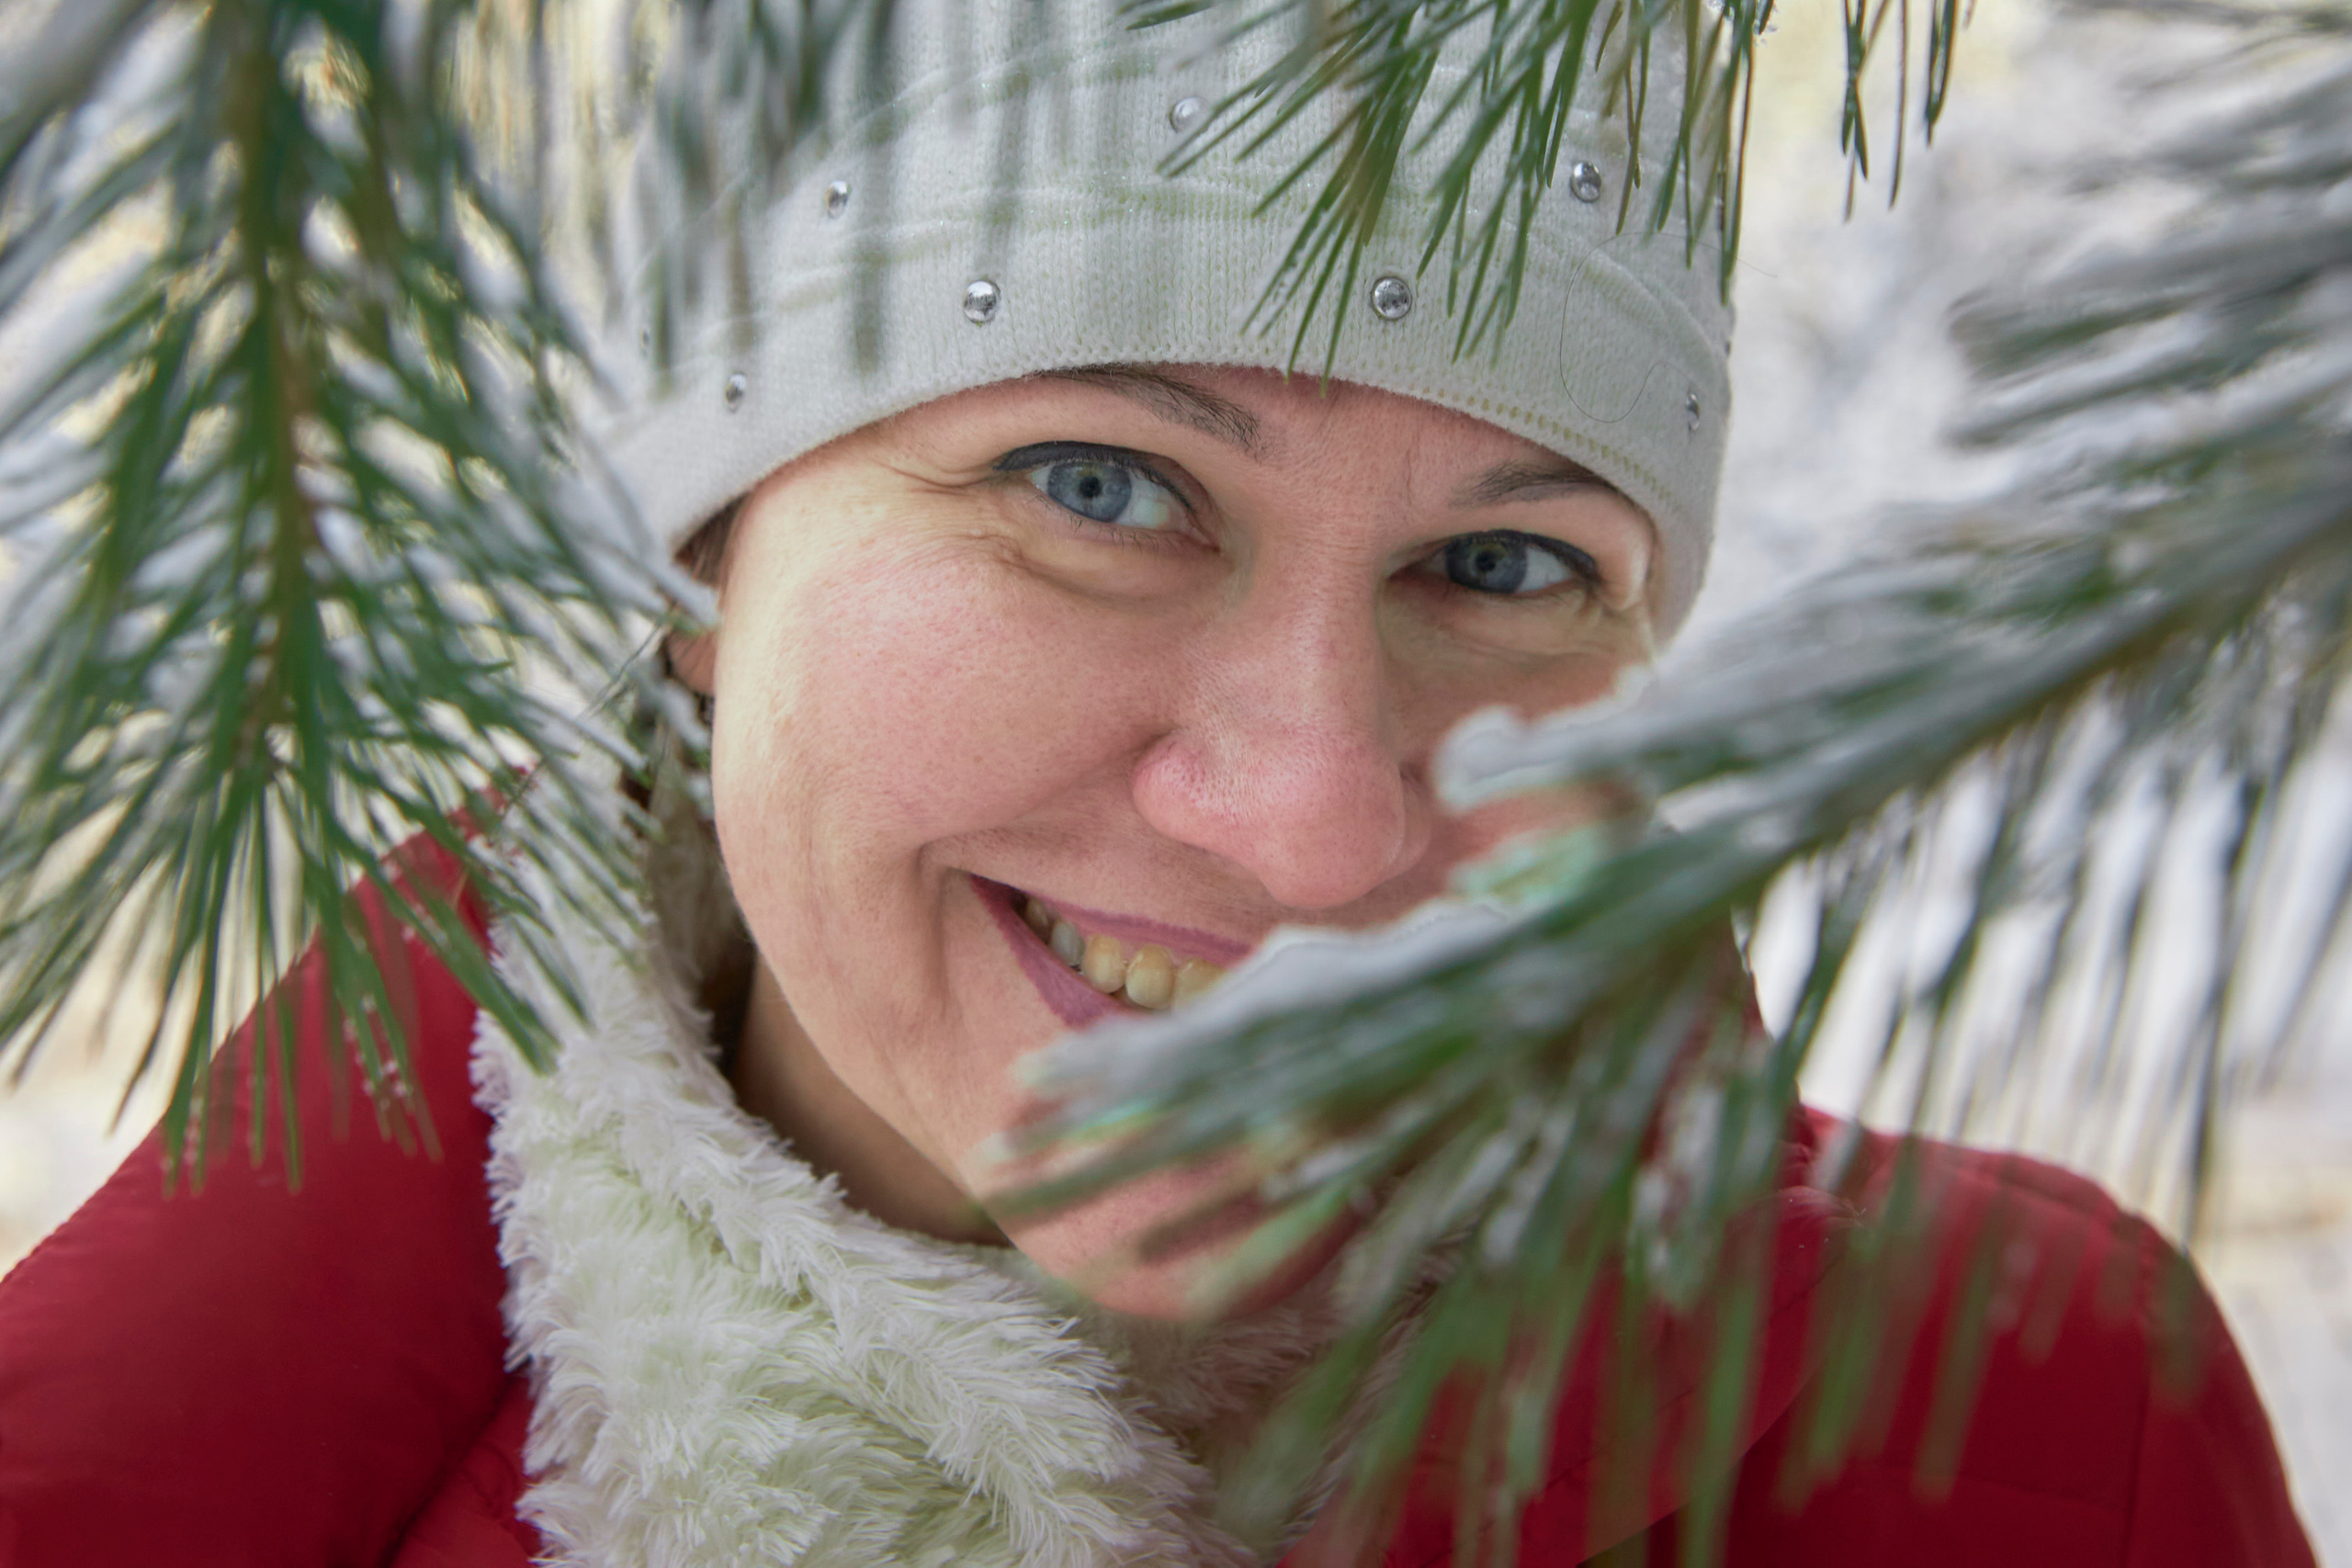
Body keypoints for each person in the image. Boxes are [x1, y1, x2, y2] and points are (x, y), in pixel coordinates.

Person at [0, 0, 2320, 1562]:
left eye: (1503, 562)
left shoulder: (2036, 1432)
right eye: (1096, 485)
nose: (1311, 816)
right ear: (700, 564)